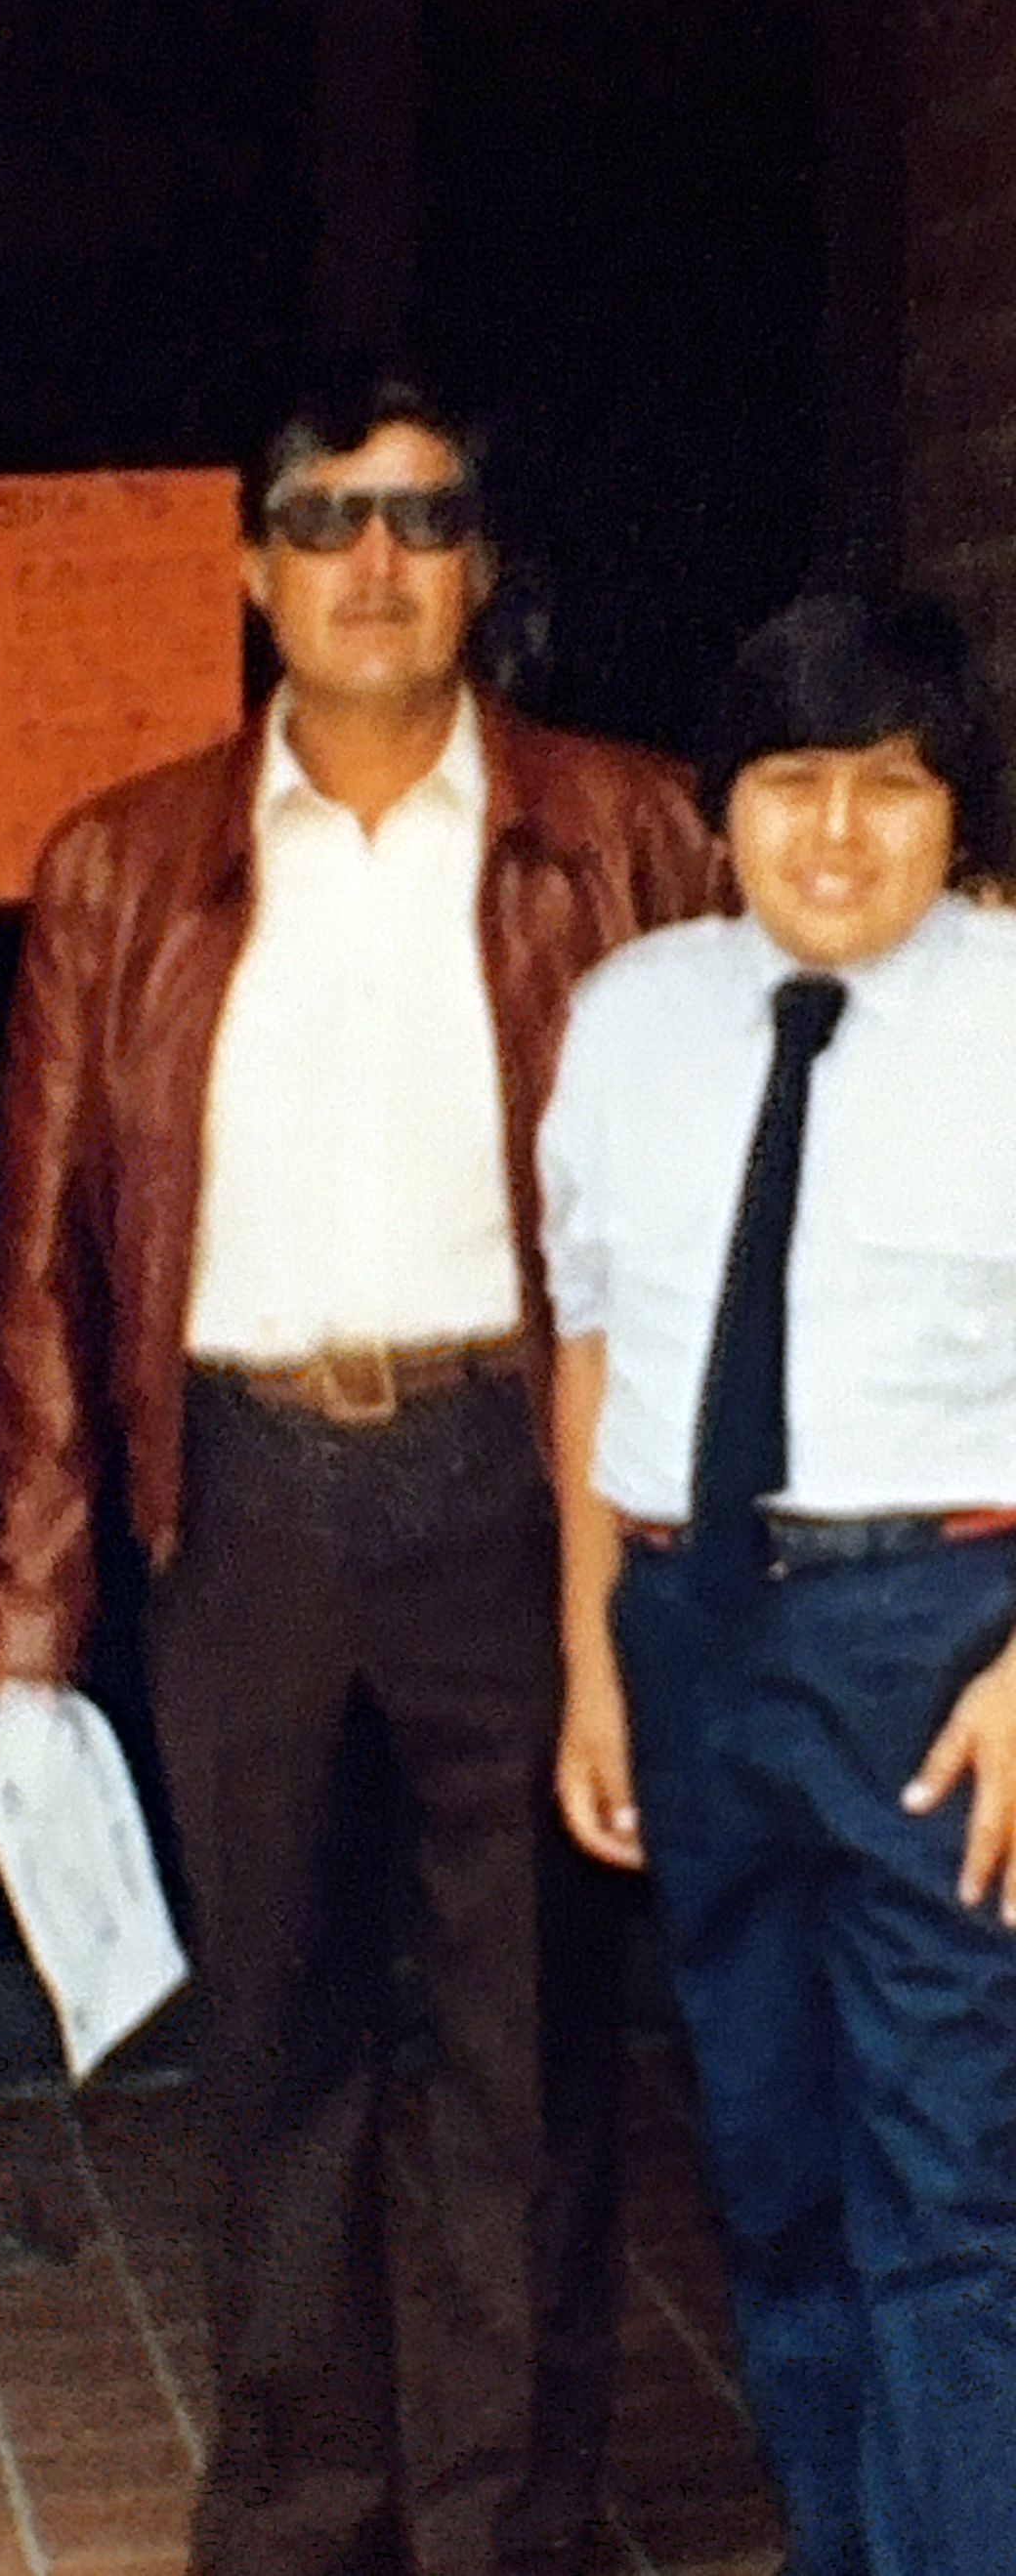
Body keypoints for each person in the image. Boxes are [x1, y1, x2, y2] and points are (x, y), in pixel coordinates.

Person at [0, 358, 720, 2576]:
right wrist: (33, 1612)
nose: (373, 564)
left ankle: (507, 2528)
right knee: (279, 2039)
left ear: (484, 564)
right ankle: (304, 2516)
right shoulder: (124, 865)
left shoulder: (631, 833)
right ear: (251, 569)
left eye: (421, 517)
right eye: (324, 521)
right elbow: (42, 1257)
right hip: (251, 1497)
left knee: (527, 2053)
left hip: (521, 1483)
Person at [540, 589, 1016, 2576]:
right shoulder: (630, 1018)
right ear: (720, 805)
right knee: (770, 2165)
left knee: (950, 2184)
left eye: (889, 788)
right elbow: (592, 1354)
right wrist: (594, 1663)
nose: (834, 835)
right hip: (693, 1634)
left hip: (943, 1647)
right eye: (791, 782)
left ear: (958, 810)